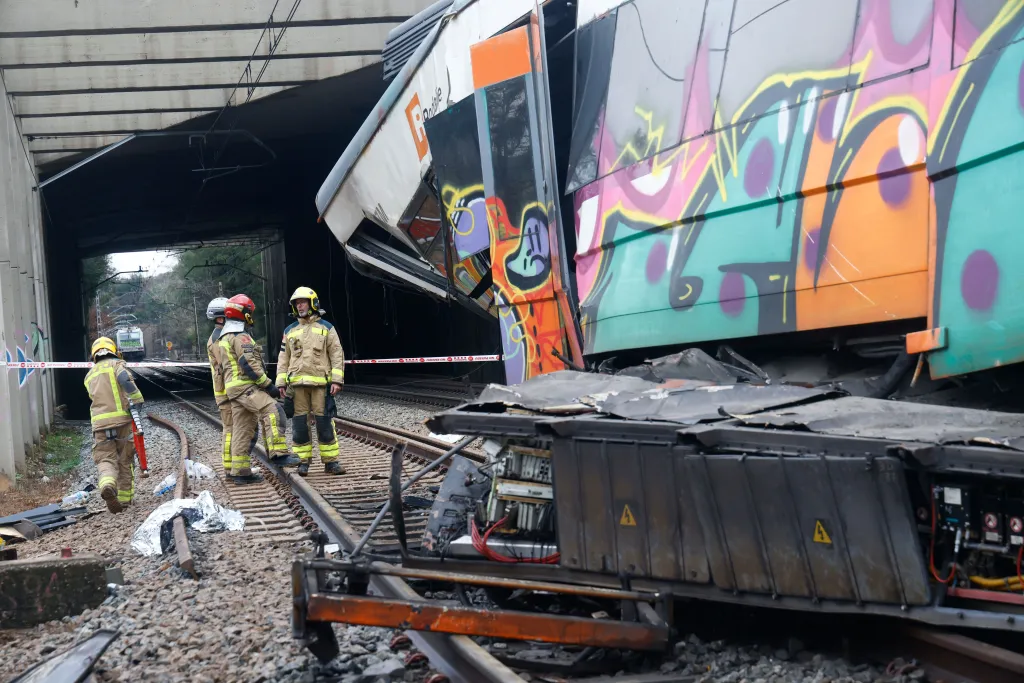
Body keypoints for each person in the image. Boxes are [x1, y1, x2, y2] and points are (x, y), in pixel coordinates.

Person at [218, 294, 297, 482]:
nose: (250, 315)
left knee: (243, 428)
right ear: (243, 313)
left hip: (234, 389)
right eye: (249, 312)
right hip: (246, 387)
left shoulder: (225, 336)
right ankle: (279, 454)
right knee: (273, 410)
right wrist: (268, 385)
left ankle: (240, 472)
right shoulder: (240, 336)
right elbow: (248, 363)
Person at [276, 286, 346, 477]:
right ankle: (302, 462)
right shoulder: (289, 331)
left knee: (324, 423)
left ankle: (331, 462)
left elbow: (337, 354)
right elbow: (283, 358)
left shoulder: (326, 328)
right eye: (297, 303)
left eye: (303, 302)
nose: (300, 306)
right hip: (297, 387)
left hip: (320, 386)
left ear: (312, 303)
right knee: (299, 425)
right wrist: (281, 383)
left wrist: (337, 380)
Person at [84, 336, 145, 513]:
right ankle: (124, 501)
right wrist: (137, 398)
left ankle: (107, 484)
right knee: (125, 459)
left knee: (105, 459)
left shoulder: (89, 374)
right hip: (122, 422)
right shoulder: (117, 365)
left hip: (100, 425)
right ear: (114, 351)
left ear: (94, 355)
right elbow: (125, 380)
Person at [205, 297, 232, 472]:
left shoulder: (219, 335)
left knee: (233, 427)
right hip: (225, 391)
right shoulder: (218, 339)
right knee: (231, 427)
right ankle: (231, 466)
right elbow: (227, 364)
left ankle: (233, 464)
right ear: (222, 317)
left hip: (225, 389)